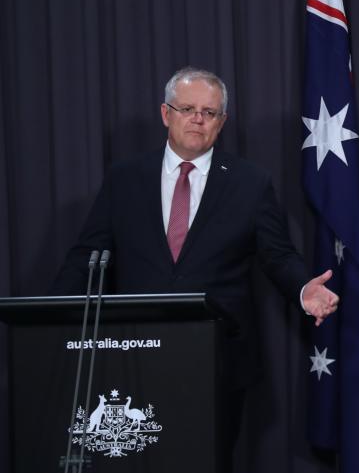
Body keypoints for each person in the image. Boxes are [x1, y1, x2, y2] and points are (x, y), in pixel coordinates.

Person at [50, 66, 338, 448]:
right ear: (166, 114)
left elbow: (278, 254)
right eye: (187, 109)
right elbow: (88, 255)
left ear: (222, 121)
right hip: (134, 354)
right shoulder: (125, 178)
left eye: (209, 112)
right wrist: (51, 317)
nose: (198, 119)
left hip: (217, 360)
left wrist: (304, 290)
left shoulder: (250, 183)